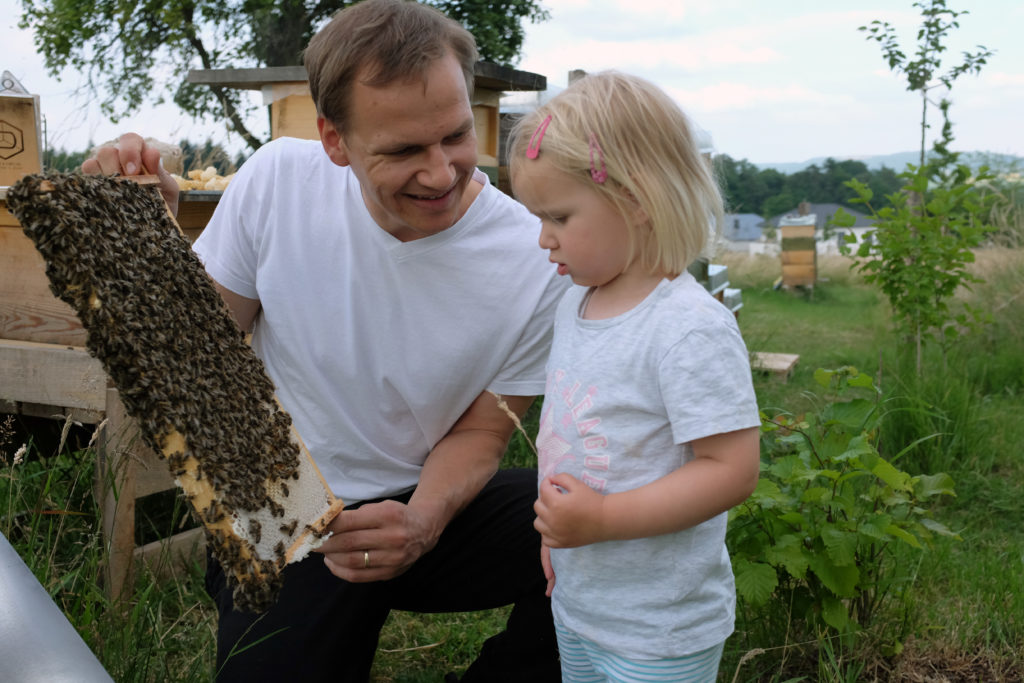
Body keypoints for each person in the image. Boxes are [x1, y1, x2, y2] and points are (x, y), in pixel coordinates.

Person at [83, 1, 566, 681]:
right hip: (284, 507)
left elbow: (482, 435)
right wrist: (147, 240)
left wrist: (420, 522)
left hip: (425, 506)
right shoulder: (279, 180)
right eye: (403, 150)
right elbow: (194, 362)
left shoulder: (534, 257)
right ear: (334, 141)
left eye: (455, 136)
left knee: (614, 518)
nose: (441, 173)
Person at [506, 71, 762, 683]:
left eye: (560, 216)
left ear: (636, 200)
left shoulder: (686, 327)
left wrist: (601, 521)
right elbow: (578, 441)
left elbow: (731, 468)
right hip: (583, 603)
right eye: (537, 217)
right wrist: (563, 536)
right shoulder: (577, 304)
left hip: (658, 628)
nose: (542, 238)